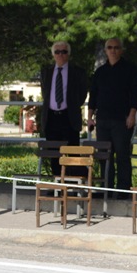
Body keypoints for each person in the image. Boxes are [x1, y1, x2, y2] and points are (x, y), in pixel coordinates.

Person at [87, 38, 137, 197]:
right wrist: (90, 117)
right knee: (104, 155)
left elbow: (136, 94)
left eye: (116, 47)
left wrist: (132, 115)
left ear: (121, 50)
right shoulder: (100, 71)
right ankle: (106, 189)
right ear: (105, 50)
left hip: (122, 119)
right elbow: (93, 95)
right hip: (102, 119)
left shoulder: (130, 69)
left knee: (122, 154)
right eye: (109, 47)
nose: (113, 50)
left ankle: (123, 190)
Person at [39, 40, 88, 174]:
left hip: (69, 117)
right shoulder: (46, 72)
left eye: (64, 52)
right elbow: (45, 93)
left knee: (72, 153)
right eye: (57, 52)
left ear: (69, 54)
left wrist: (71, 106)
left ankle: (73, 183)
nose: (60, 54)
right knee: (54, 155)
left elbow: (82, 94)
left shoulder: (78, 72)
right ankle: (57, 183)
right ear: (53, 54)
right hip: (51, 118)